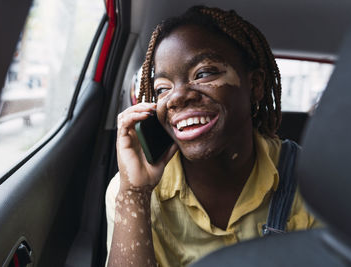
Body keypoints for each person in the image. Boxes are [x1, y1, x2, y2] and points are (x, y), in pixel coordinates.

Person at [106, 5, 320, 267]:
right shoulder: (131, 189)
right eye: (163, 88)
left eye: (204, 73)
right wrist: (135, 194)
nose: (177, 96)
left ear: (255, 86)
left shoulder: (314, 181)